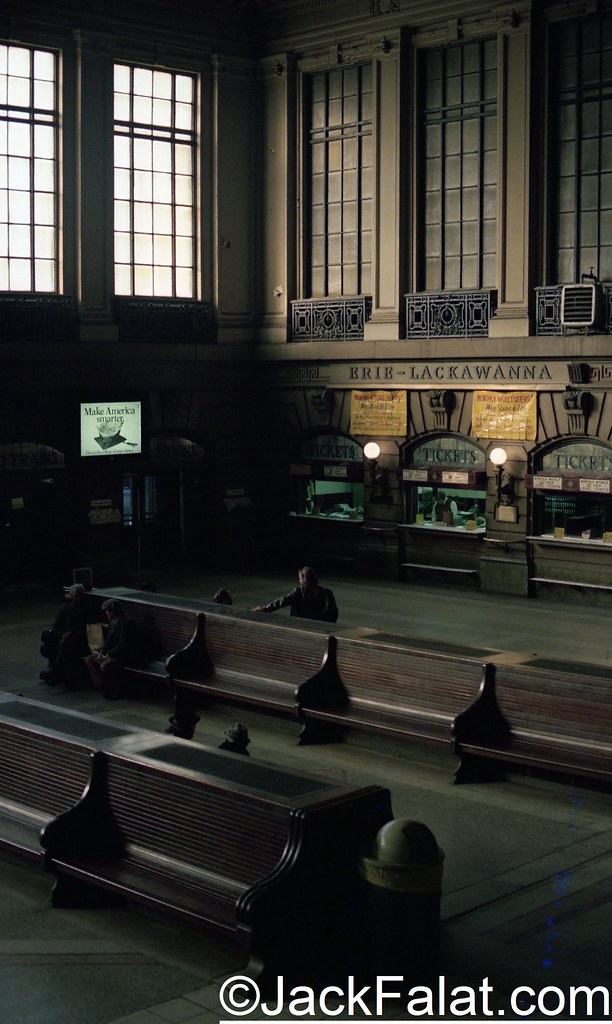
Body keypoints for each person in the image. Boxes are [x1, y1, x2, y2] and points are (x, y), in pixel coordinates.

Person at [40, 583, 94, 689]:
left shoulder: (86, 608)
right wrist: (63, 634)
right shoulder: (66, 609)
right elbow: (57, 626)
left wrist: (69, 634)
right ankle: (58, 673)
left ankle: (57, 672)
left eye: (79, 596)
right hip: (69, 639)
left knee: (66, 645)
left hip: (81, 639)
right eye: (75, 596)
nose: (77, 598)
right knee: (66, 644)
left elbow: (90, 626)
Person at [85, 599, 139, 700]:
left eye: (108, 611)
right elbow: (108, 640)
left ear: (113, 612)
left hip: (125, 655)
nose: (106, 614)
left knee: (105, 665)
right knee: (90, 659)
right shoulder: (113, 622)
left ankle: (117, 690)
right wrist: (102, 652)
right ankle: (105, 686)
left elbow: (124, 645)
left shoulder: (126, 623)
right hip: (114, 653)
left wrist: (108, 656)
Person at [252, 566, 338, 623]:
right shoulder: (327, 593)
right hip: (319, 627)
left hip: (300, 625)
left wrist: (264, 609)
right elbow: (334, 613)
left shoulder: (299, 591)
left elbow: (281, 602)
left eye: (300, 578)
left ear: (304, 578)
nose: (299, 581)